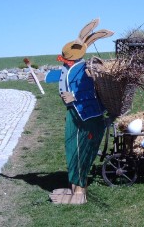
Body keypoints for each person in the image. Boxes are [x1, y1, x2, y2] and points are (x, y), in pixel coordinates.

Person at [29, 18, 113, 204]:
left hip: (88, 116)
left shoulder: (87, 69)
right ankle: (73, 188)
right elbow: (61, 75)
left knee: (82, 150)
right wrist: (43, 76)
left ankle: (80, 194)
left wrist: (75, 98)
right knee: (71, 150)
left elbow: (94, 91)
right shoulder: (69, 67)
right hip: (74, 115)